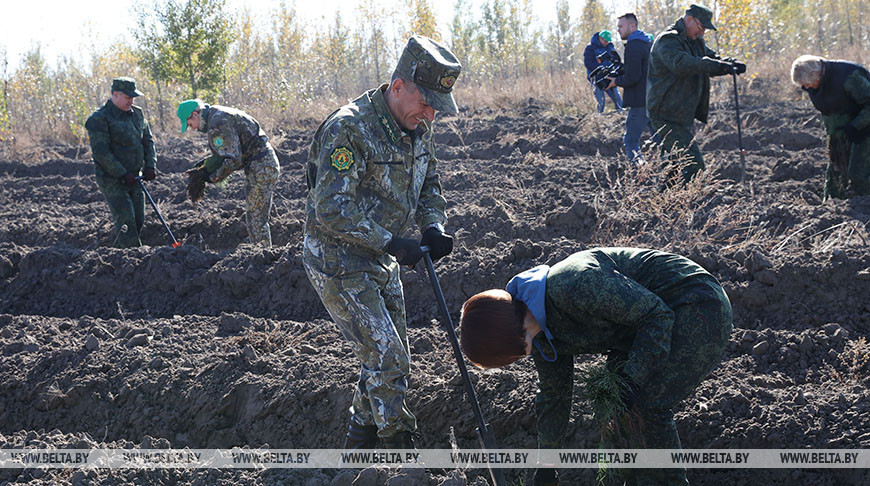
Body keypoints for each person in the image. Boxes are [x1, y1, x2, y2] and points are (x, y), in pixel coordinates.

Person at [303, 35, 460, 450]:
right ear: (398, 87)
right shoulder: (349, 128)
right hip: (337, 260)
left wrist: (433, 226)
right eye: (425, 102)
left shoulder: (417, 127)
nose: (429, 114)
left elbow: (430, 184)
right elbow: (331, 209)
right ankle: (400, 454)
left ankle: (357, 454)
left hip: (382, 258)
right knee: (388, 358)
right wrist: (391, 242)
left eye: (435, 108)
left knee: (384, 358)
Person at [459, 247, 733, 486]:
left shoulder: (573, 285)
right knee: (619, 404)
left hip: (694, 303)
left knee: (647, 403)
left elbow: (656, 315)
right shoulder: (539, 336)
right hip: (641, 330)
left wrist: (634, 377)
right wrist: (547, 467)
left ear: (505, 338)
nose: (514, 359)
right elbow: (555, 397)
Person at [647, 4, 746, 184]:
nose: (702, 33)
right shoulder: (668, 41)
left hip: (682, 112)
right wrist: (716, 65)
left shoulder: (695, 41)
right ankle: (696, 200)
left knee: (673, 167)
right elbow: (682, 64)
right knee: (693, 164)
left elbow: (710, 58)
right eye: (701, 27)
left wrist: (729, 64)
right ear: (689, 19)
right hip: (665, 113)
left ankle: (668, 204)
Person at [177, 100, 280, 246]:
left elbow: (233, 159)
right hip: (262, 164)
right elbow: (226, 152)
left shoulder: (217, 122)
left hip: (261, 166)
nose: (193, 129)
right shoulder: (217, 114)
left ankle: (262, 257)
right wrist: (205, 166)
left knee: (256, 218)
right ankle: (261, 253)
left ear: (195, 114)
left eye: (189, 124)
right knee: (255, 217)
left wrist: (212, 176)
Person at [84, 77, 157, 248]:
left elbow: (148, 141)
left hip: (135, 178)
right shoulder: (99, 119)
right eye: (127, 97)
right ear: (115, 95)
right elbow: (101, 153)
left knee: (138, 220)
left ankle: (119, 256)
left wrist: (150, 166)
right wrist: (122, 173)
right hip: (112, 179)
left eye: (133, 97)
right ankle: (134, 261)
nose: (131, 101)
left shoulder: (137, 114)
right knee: (126, 220)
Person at [791, 54, 870, 200]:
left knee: (860, 173)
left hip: (864, 126)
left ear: (815, 74)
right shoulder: (815, 84)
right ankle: (831, 204)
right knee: (836, 171)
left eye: (806, 83)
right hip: (840, 130)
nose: (805, 87)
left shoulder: (849, 76)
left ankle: (864, 207)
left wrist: (856, 126)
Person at [606, 13, 655, 164]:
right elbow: (639, 70)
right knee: (660, 139)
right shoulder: (646, 43)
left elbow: (633, 76)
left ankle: (638, 172)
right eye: (617, 27)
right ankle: (674, 169)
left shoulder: (634, 45)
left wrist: (615, 81)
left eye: (621, 26)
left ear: (632, 26)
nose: (618, 30)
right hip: (652, 98)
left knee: (630, 140)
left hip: (639, 100)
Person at [584, 30, 623, 114]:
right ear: (600, 38)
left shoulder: (610, 47)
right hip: (596, 78)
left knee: (617, 96)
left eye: (608, 41)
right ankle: (598, 118)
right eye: (605, 41)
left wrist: (615, 69)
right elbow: (588, 63)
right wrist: (600, 68)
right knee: (601, 100)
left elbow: (614, 59)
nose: (606, 43)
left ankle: (622, 114)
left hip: (608, 76)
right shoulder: (590, 48)